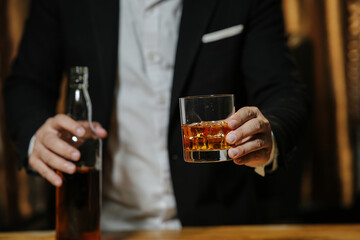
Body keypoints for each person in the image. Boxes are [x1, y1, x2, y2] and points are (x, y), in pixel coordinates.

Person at [4, 0, 308, 230]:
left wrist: (267, 134)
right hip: (99, 225)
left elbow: (283, 92)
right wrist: (36, 137)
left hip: (216, 224)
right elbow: (26, 85)